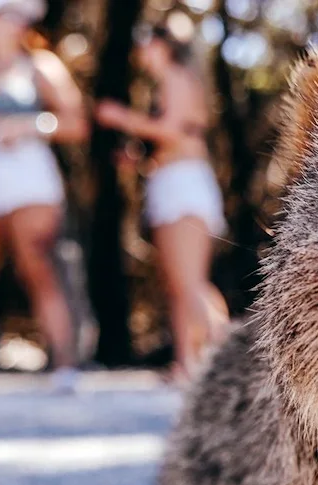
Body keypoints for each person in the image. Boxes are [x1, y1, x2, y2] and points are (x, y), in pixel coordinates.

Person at [0, 0, 88, 398]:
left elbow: (77, 123)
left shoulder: (41, 66)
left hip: (28, 175)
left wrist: (29, 125)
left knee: (38, 265)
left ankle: (64, 365)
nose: (5, 21)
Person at [95, 19, 227, 383]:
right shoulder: (170, 82)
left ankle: (228, 360)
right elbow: (173, 138)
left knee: (189, 281)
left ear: (163, 46)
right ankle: (187, 365)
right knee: (179, 282)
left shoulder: (177, 77)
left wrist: (120, 117)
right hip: (172, 182)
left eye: (146, 43)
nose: (141, 52)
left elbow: (171, 131)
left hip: (184, 185)